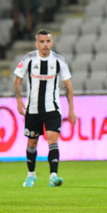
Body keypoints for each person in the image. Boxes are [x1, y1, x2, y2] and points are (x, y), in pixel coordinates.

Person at [13, 29, 77, 187]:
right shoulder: (28, 59)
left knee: (52, 139)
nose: (45, 45)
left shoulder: (59, 61)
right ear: (37, 43)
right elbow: (17, 81)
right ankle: (31, 174)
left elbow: (68, 85)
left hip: (52, 108)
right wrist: (19, 101)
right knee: (32, 142)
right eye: (42, 42)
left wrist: (71, 109)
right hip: (33, 109)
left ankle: (53, 176)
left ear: (52, 43)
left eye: (48, 41)